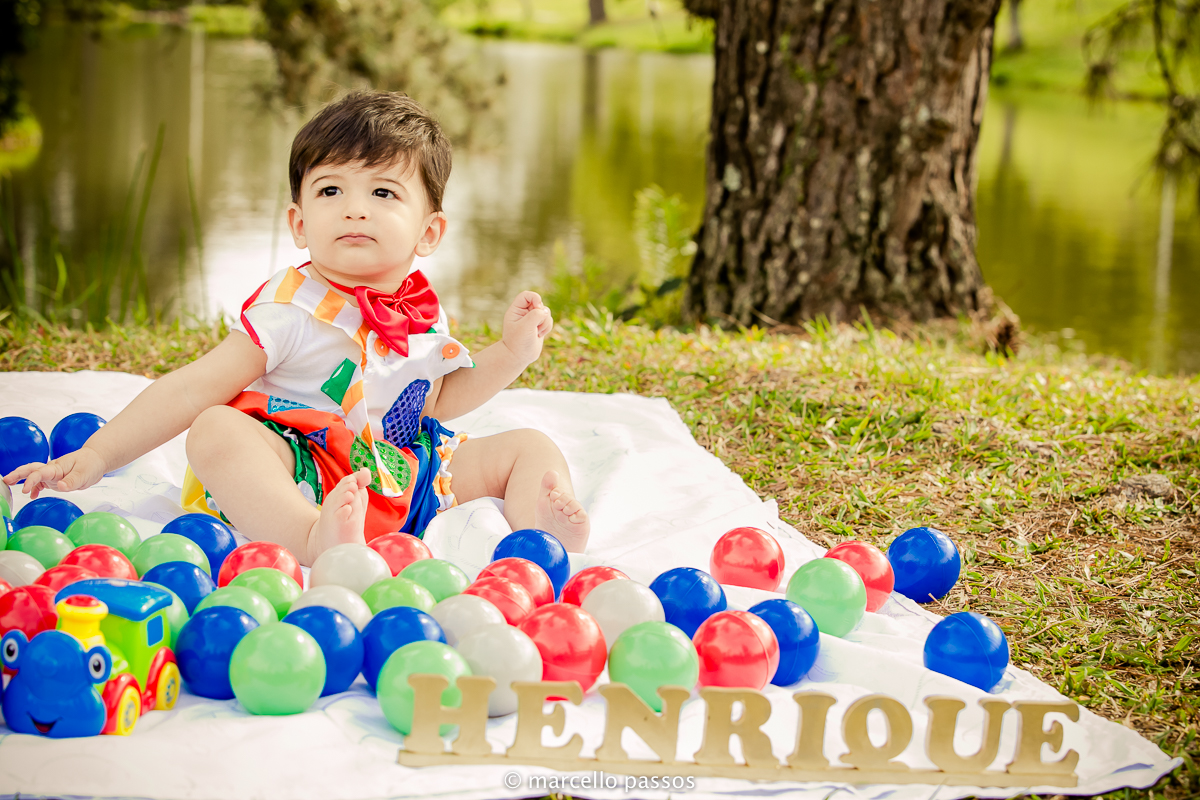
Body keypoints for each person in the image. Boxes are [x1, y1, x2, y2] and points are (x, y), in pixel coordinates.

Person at [3, 91, 590, 565]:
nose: (355, 208)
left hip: (401, 471)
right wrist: (98, 454)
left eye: (383, 192)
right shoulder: (290, 308)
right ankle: (311, 537)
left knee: (529, 446)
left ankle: (542, 532)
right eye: (331, 190)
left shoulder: (421, 309)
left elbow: (436, 402)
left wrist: (510, 353)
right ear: (299, 222)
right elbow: (191, 388)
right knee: (215, 428)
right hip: (299, 469)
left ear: (429, 232)